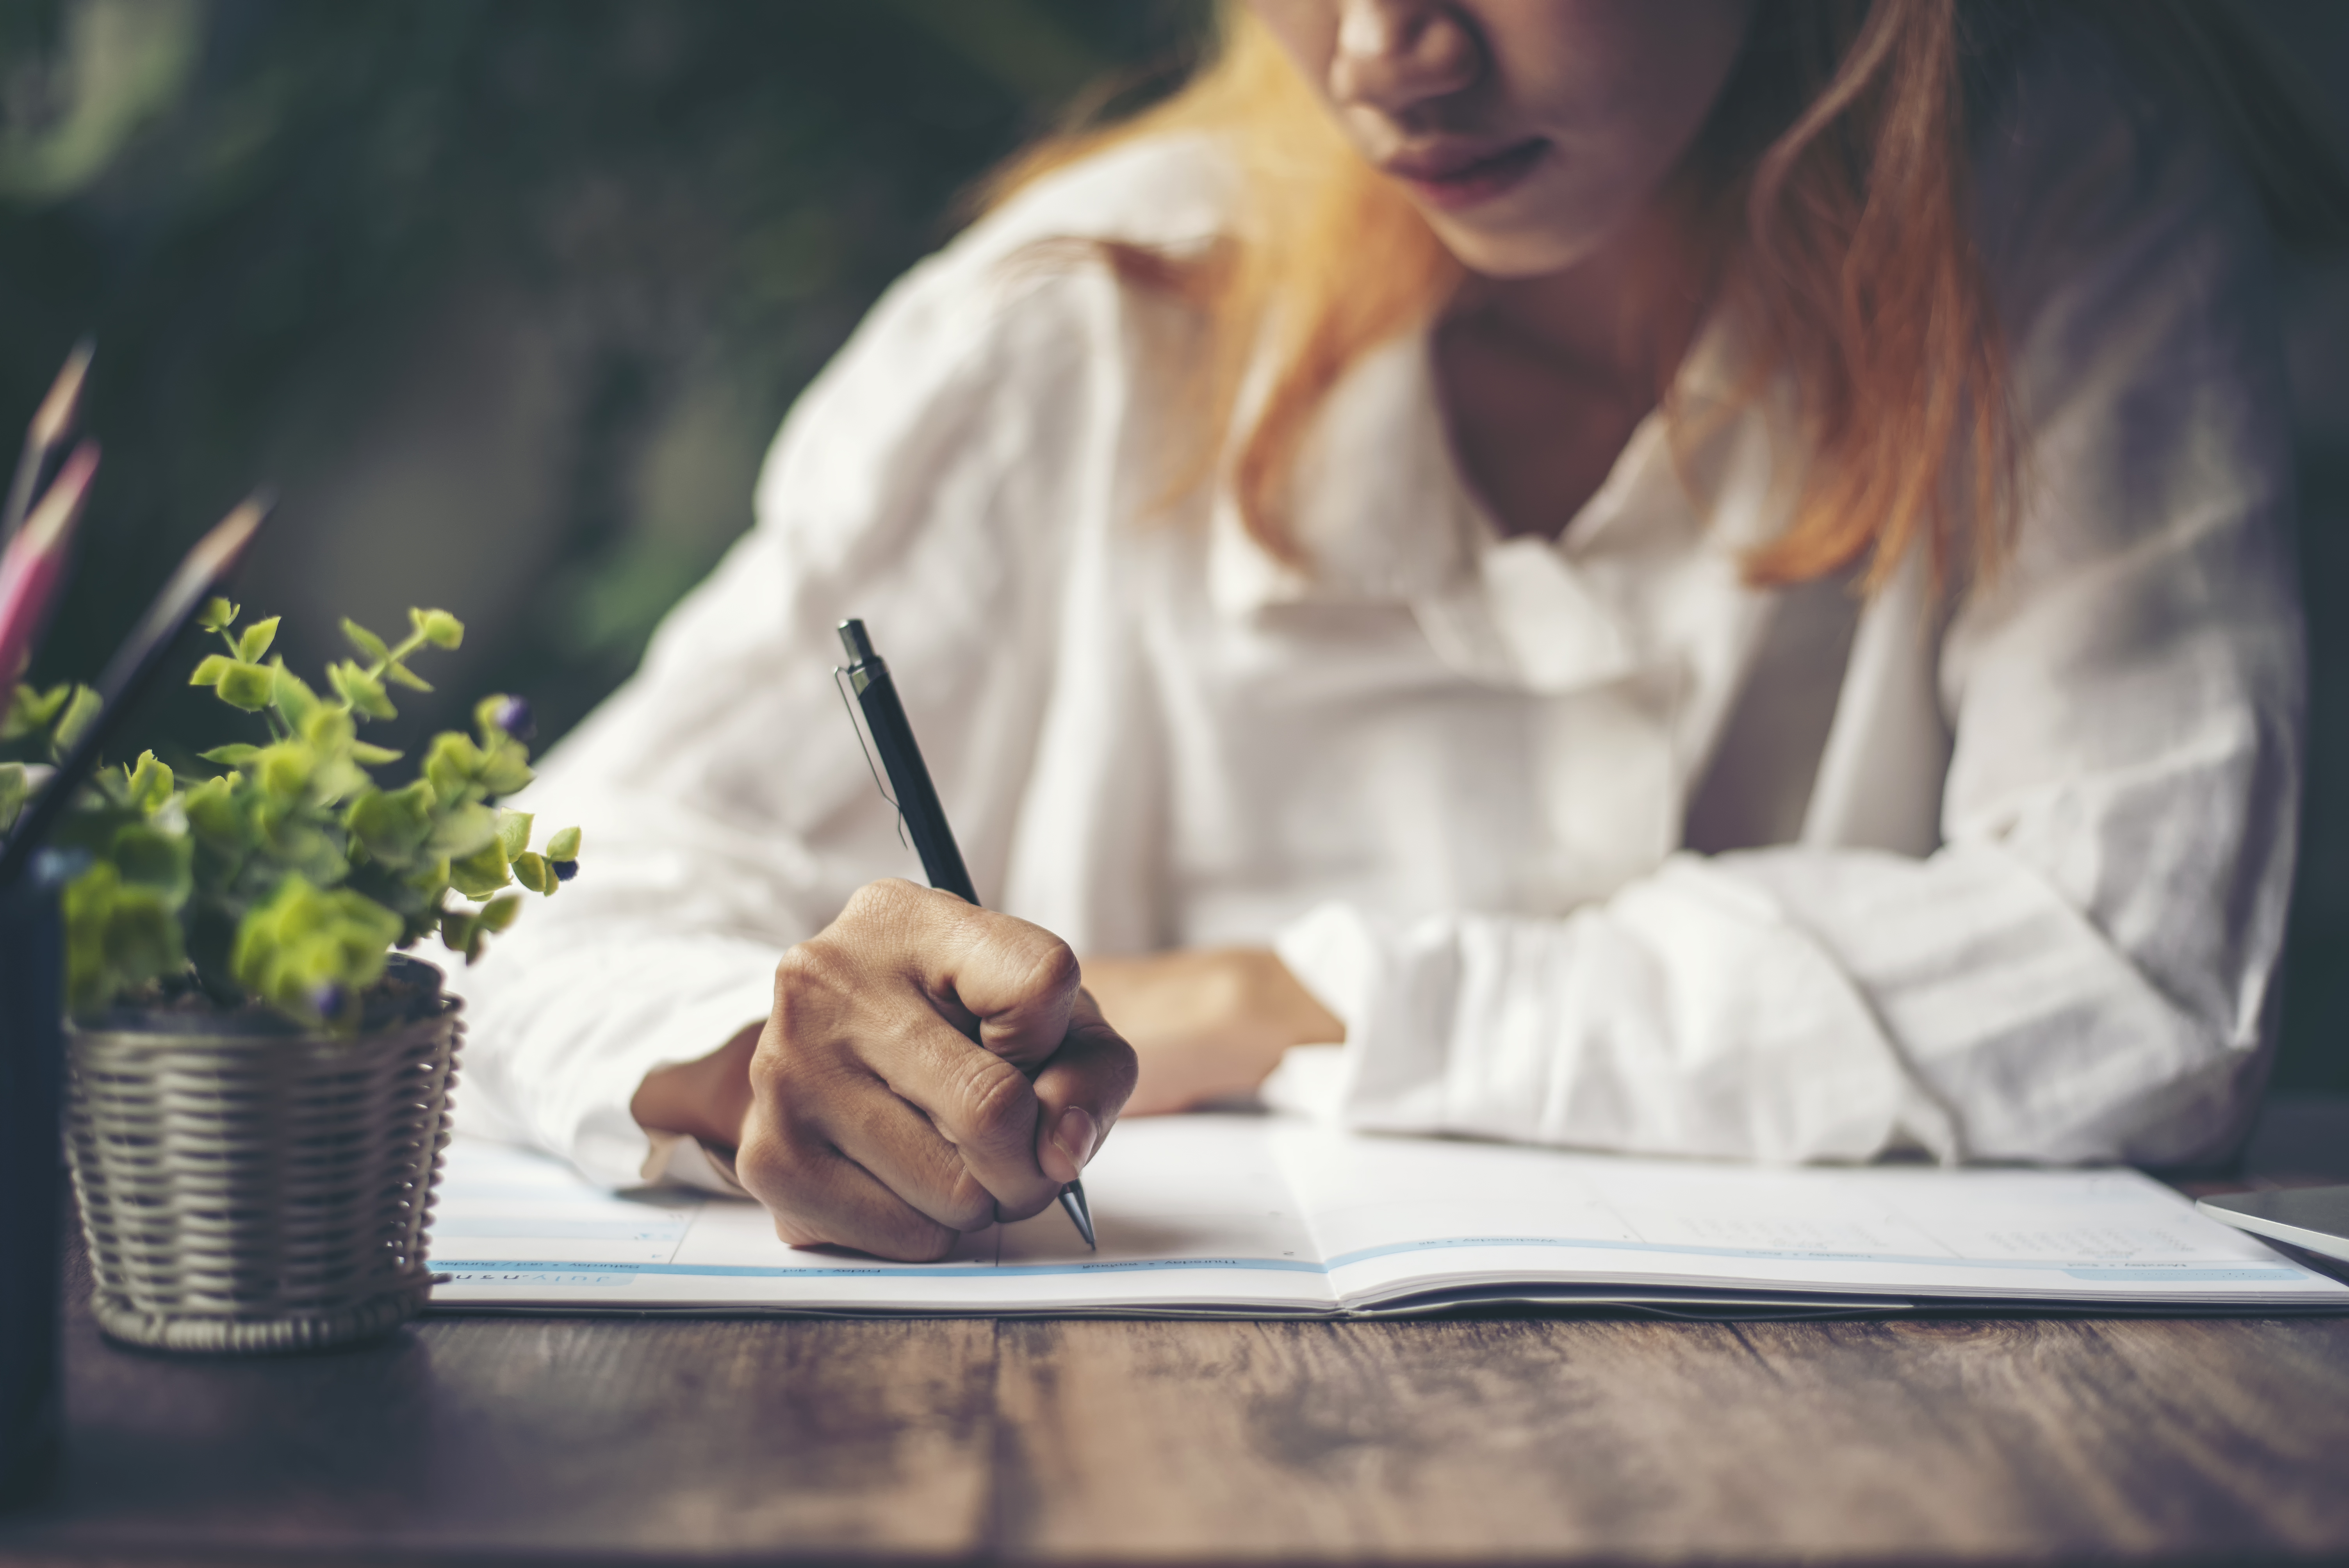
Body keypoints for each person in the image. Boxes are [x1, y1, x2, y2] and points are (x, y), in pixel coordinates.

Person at [449, 0, 2341, 1261]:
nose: (1383, 56)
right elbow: (532, 896)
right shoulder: (1081, 319)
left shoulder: (2062, 236)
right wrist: (758, 1062)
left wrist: (1286, 1000)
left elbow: (2128, 971)